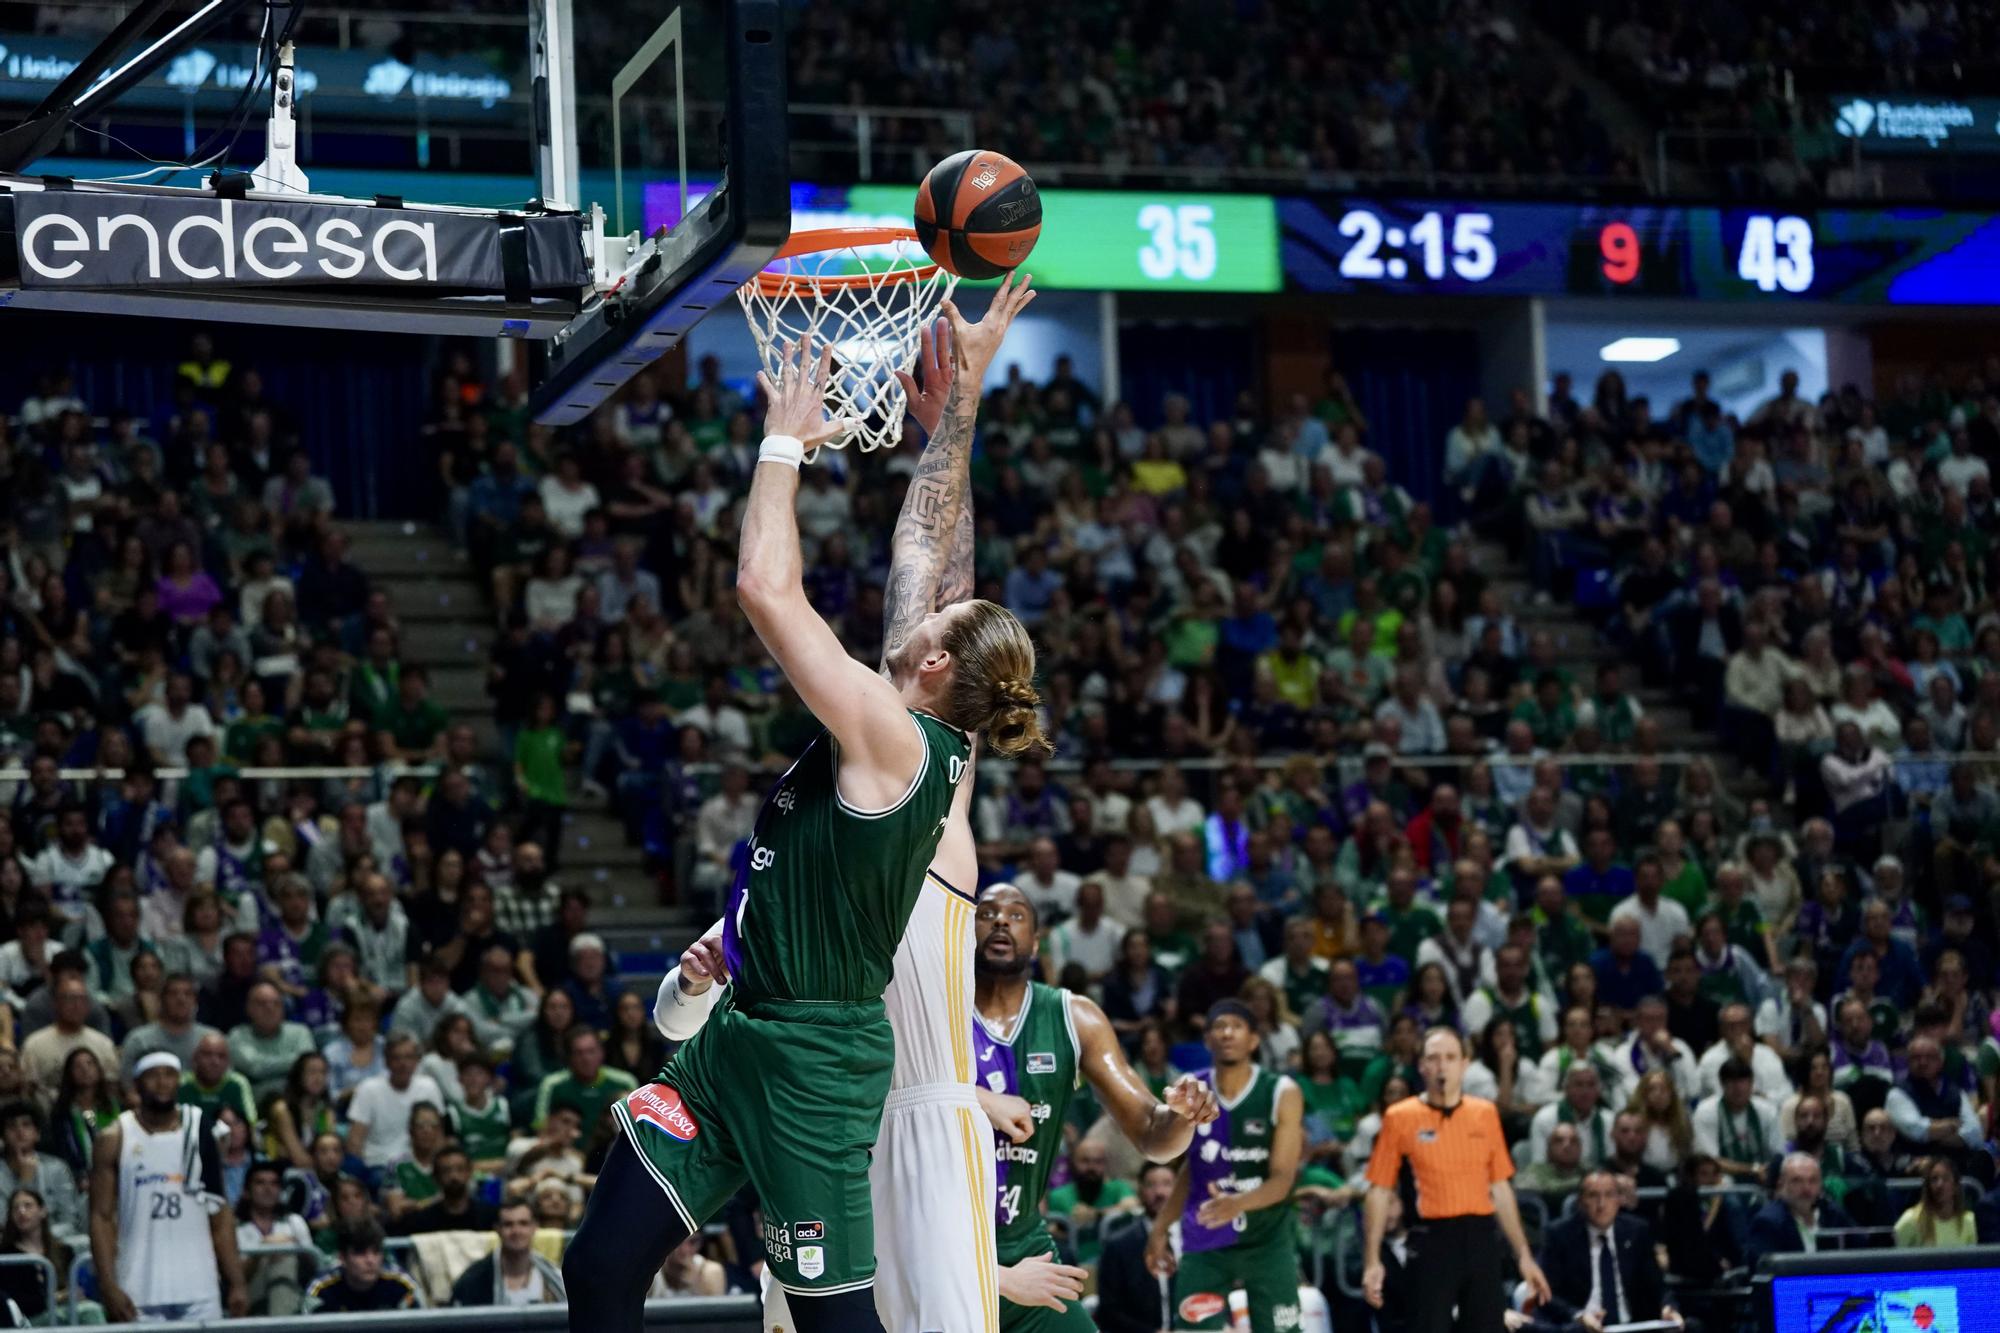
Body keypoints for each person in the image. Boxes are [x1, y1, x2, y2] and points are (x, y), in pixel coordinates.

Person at [568, 297, 1043, 1333]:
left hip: (824, 1068)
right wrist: (956, 415)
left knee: (839, 1324)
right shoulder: (915, 723)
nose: (923, 604)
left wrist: (784, 439)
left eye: (937, 620)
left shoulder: (894, 738)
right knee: (599, 1262)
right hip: (747, 1035)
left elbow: (763, 587)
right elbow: (930, 558)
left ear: (934, 662)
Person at [975, 885, 1216, 1331]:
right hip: (946, 1244)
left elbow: (1152, 1133)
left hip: (1025, 1245)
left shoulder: (1074, 1017)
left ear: (1036, 942)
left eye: (1016, 915)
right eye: (986, 914)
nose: (1001, 921)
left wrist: (1183, 1116)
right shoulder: (935, 1012)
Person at [1362, 1027, 1551, 1333]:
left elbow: (1500, 1188)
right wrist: (1372, 1260)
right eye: (1433, 1058)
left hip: (1482, 1239)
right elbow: (1379, 1190)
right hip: (1431, 1240)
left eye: (1450, 1058)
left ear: (1465, 1064)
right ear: (1421, 1066)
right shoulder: (1400, 1116)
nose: (1442, 1066)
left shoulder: (1484, 1113)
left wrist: (1524, 1257)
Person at [1146, 1000, 1304, 1333]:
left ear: (1254, 1040)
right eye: (1219, 1026)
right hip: (1207, 1238)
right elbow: (1191, 1171)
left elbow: (1283, 1180)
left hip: (1266, 1240)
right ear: (1207, 1040)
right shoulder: (1193, 1090)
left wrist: (1237, 1204)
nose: (1227, 1033)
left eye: (1236, 1026)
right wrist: (1160, 1228)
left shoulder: (1281, 1091)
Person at [89, 1052, 249, 1321]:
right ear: (137, 1084)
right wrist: (107, 1284)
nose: (162, 1082)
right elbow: (101, 1217)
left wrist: (237, 1282)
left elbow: (219, 1213)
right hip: (137, 1287)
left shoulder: (201, 1131)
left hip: (199, 1286)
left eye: (169, 1075)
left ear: (179, 1082)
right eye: (153, 1075)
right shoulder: (115, 1137)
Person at [1535, 1170, 1679, 1328]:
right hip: (1583, 1327)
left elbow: (1658, 1285)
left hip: (1633, 1326)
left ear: (1619, 1200)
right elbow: (1547, 1294)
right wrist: (1578, 1315)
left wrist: (1668, 1307)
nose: (1601, 1204)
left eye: (1609, 1195)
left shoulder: (1636, 1232)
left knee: (1691, 1326)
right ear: (1580, 1201)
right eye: (1593, 1196)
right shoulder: (1559, 1235)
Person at [345, 1035, 445, 1171]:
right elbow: (355, 1140)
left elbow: (438, 1136)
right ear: (386, 1061)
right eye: (397, 1058)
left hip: (419, 1166)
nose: (403, 1064)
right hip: (379, 1165)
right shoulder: (368, 1089)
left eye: (409, 1057)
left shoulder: (429, 1086)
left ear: (417, 1061)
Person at [1744, 1153, 1856, 1266]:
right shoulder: (1768, 1222)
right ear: (1781, 1185)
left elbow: (1861, 1252)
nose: (1806, 1188)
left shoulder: (1832, 1213)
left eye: (1813, 1181)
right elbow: (1764, 1270)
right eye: (1797, 1181)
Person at [450, 1199, 567, 1306]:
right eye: (508, 1225)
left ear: (535, 1227)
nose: (516, 1231)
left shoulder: (554, 1278)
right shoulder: (472, 1281)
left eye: (523, 1223)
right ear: (497, 1229)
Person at [235, 1160, 314, 1316]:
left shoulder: (294, 1222)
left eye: (274, 1184)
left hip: (292, 1288)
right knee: (279, 1259)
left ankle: (280, 1319)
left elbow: (313, 1268)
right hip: (251, 1292)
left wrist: (295, 1247)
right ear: (247, 1191)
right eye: (260, 1183)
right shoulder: (235, 1228)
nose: (268, 1189)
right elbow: (237, 1277)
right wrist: (261, 1252)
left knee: (285, 1260)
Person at [303, 1218, 419, 1312]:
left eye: (376, 1252)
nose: (370, 1260)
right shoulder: (321, 1290)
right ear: (342, 1258)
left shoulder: (402, 1284)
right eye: (360, 1253)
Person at [1893, 1155, 1976, 1249]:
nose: (1939, 1184)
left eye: (1945, 1178)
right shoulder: (1911, 1220)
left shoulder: (1969, 1221)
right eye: (1934, 1179)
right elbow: (1892, 1254)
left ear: (1955, 1187)